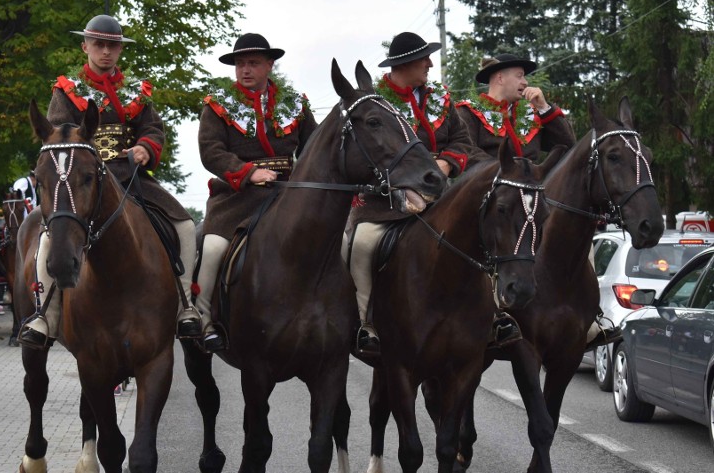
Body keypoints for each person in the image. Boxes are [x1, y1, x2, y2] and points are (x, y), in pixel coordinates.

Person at [17, 14, 201, 349]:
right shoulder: (65, 91)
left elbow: (153, 129)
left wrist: (146, 147)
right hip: (81, 181)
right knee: (48, 239)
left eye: (112, 46)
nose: (105, 51)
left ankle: (185, 306)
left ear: (119, 51)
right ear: (85, 46)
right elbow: (58, 136)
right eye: (99, 44)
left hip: (129, 177)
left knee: (186, 226)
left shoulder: (136, 91)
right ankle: (47, 315)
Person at [343, 31, 485, 356]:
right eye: (425, 60)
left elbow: (462, 142)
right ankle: (365, 323)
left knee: (487, 234)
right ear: (406, 64)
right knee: (362, 243)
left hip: (441, 197)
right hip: (384, 204)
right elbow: (361, 154)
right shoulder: (373, 104)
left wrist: (446, 166)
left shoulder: (441, 99)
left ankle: (491, 315)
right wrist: (397, 182)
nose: (430, 64)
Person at [196, 33, 318, 353]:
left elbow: (313, 149)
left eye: (253, 63)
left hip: (288, 194)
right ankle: (204, 318)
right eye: (240, 63)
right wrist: (249, 172)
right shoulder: (217, 106)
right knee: (211, 250)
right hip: (235, 198)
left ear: (269, 65)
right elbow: (211, 152)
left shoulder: (296, 104)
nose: (245, 69)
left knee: (333, 241)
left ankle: (341, 315)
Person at [455, 53, 577, 346]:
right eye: (520, 75)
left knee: (572, 236)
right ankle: (486, 313)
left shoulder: (531, 116)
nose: (525, 82)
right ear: (499, 78)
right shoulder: (469, 112)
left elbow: (568, 145)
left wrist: (545, 108)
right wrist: (507, 174)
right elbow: (467, 153)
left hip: (531, 203)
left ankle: (584, 315)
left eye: (525, 77)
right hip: (490, 200)